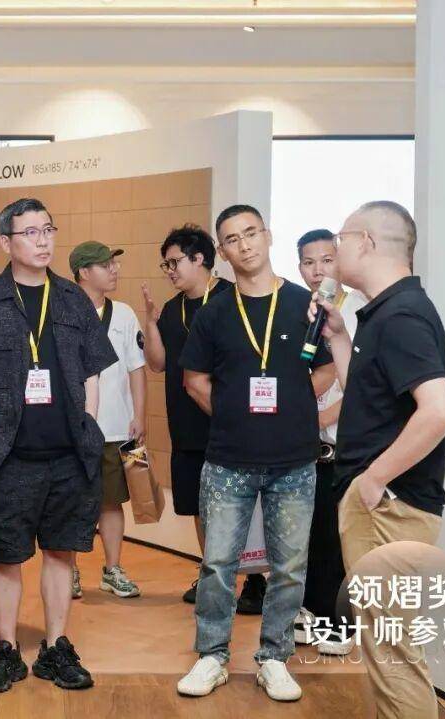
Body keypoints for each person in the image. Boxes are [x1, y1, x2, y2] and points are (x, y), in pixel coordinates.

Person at [0, 198, 116, 694]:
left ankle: (56, 648)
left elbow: (91, 369)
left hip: (68, 455)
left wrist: (88, 423)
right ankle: (6, 649)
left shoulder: (73, 299)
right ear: (6, 242)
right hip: (10, 457)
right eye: (30, 232)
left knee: (61, 553)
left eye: (48, 230)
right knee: (7, 556)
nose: (42, 241)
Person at [175, 205, 335, 702]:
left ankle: (274, 658)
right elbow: (194, 379)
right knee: (218, 564)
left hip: (294, 460)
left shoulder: (304, 304)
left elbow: (326, 368)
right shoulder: (215, 311)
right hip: (228, 458)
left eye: (251, 233)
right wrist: (230, 414)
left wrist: (293, 408)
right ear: (222, 253)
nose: (244, 245)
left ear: (267, 236)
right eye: (232, 239)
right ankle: (212, 655)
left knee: (289, 566)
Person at [310, 201, 445, 719]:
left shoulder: (401, 316)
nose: (335, 252)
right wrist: (338, 337)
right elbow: (369, 401)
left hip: (388, 507)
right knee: (389, 647)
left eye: (342, 239)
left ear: (367, 242)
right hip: (383, 505)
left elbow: (439, 411)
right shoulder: (386, 312)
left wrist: (374, 479)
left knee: (393, 653)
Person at [140, 224, 267, 610]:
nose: (170, 271)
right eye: (165, 265)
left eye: (174, 262)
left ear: (199, 259)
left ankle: (256, 581)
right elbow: (158, 364)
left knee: (241, 504)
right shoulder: (173, 309)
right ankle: (212, 575)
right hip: (186, 427)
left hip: (229, 426)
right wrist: (150, 322)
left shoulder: (233, 298)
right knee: (198, 506)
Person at [293, 229, 368, 656]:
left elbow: (358, 382)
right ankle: (312, 613)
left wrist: (321, 417)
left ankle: (342, 622)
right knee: (312, 536)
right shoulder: (301, 311)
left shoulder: (357, 310)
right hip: (309, 447)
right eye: (309, 262)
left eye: (326, 260)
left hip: (344, 443)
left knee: (341, 542)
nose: (318, 270)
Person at [68, 241, 145, 600]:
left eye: (114, 264)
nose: (114, 270)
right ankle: (68, 571)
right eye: (105, 265)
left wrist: (139, 415)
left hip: (117, 428)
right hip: (73, 429)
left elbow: (136, 368)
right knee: (70, 502)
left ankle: (113, 569)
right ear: (84, 272)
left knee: (112, 501)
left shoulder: (125, 314)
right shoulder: (63, 311)